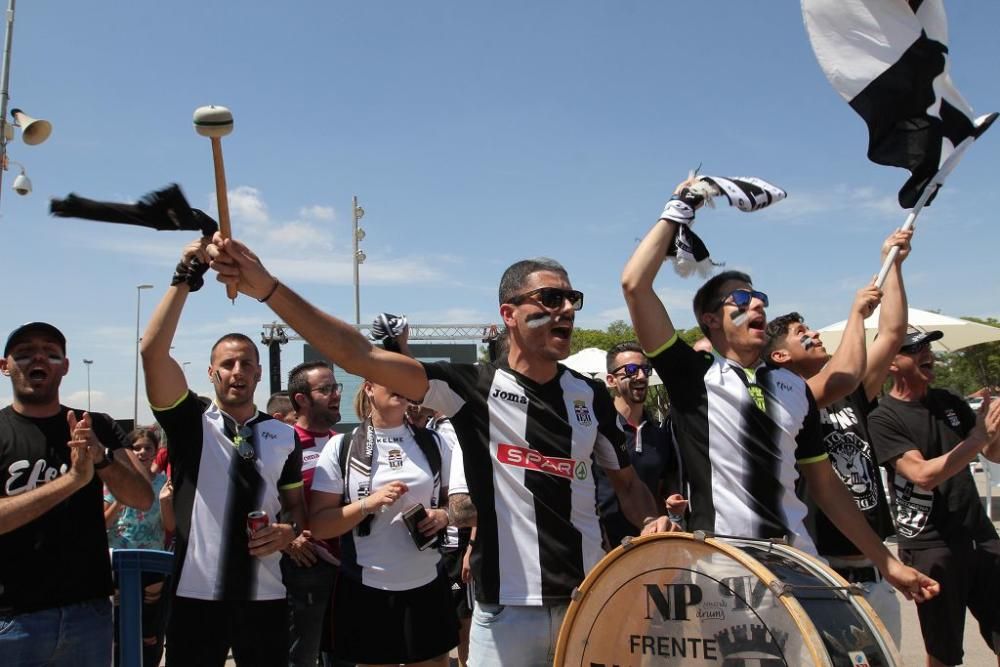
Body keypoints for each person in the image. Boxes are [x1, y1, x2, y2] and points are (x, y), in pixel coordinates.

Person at [207, 237, 673, 667]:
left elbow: (628, 487)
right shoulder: (474, 388)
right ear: (508, 314)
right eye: (551, 299)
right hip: (507, 611)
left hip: (587, 600)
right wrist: (268, 288)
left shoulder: (589, 397)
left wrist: (651, 521)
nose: (567, 309)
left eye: (572, 300)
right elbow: (362, 357)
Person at [620, 178, 938, 602]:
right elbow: (634, 285)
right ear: (711, 321)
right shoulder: (691, 374)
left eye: (760, 297)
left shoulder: (793, 387)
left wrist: (887, 561)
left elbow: (824, 485)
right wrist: (679, 208)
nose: (757, 305)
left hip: (799, 567)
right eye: (741, 297)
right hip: (724, 572)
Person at [141, 239, 307, 667]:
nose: (237, 371)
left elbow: (294, 510)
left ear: (257, 372)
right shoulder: (189, 421)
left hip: (265, 596)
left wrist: (289, 533)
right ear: (212, 372)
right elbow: (151, 351)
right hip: (197, 597)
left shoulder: (283, 436)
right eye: (227, 364)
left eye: (245, 363)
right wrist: (185, 276)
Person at [764, 228, 912, 644]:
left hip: (876, 573)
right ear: (779, 357)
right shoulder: (791, 400)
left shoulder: (855, 396)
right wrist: (854, 316)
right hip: (824, 575)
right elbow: (840, 375)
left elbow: (893, 334)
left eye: (810, 327)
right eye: (800, 333)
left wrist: (894, 264)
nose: (812, 334)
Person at [0, 321, 153, 666]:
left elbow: (142, 497)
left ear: (66, 366)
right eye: (24, 353)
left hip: (88, 615)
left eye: (51, 354)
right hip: (12, 620)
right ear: (4, 365)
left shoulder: (96, 425)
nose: (38, 358)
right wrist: (71, 481)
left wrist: (101, 458)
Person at [869, 330, 1000, 667]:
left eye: (928, 346)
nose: (927, 353)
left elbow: (992, 452)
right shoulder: (883, 418)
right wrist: (975, 439)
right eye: (915, 348)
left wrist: (994, 431)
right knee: (943, 654)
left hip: (980, 536)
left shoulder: (949, 402)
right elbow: (923, 475)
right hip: (932, 546)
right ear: (892, 362)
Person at [309, 381, 457, 666]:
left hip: (427, 581)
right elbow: (318, 525)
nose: (397, 382)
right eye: (385, 377)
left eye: (400, 375)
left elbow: (462, 504)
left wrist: (443, 516)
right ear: (368, 388)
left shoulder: (434, 442)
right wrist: (368, 504)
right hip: (367, 586)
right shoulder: (342, 446)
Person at [284, 360, 347, 667]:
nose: (336, 394)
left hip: (349, 569)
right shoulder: (283, 444)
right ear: (301, 399)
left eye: (336, 387)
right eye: (326, 389)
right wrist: (290, 539)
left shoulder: (345, 445)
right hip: (303, 569)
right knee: (301, 659)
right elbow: (266, 502)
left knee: (346, 656)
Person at [595, 341, 686, 547]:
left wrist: (672, 501)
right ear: (611, 380)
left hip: (647, 547)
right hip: (602, 549)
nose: (642, 376)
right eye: (631, 370)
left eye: (646, 369)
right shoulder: (597, 431)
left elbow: (663, 485)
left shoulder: (659, 434)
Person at [105, 427, 170, 667]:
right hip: (120, 558)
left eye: (148, 448)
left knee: (149, 624)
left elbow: (170, 524)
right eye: (137, 448)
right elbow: (104, 522)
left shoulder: (164, 482)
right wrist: (121, 501)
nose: (142, 452)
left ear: (155, 451)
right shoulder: (116, 480)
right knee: (120, 620)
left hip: (153, 558)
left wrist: (166, 502)